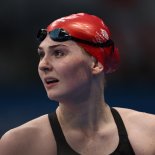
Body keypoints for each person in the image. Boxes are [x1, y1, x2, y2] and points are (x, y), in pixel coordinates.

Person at [0, 13, 155, 155]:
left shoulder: (148, 134)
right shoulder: (20, 145)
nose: (43, 65)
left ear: (95, 63)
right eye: (41, 54)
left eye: (58, 53)